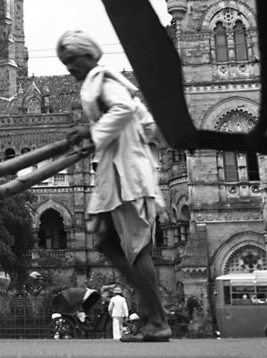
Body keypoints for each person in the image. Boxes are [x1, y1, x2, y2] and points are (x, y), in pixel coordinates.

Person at [57, 30, 172, 343]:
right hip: (120, 171)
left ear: (90, 55)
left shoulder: (102, 79)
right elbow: (146, 125)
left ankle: (157, 321)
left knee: (134, 247)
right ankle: (150, 312)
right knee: (107, 242)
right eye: (65, 63)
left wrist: (94, 134)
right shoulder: (117, 84)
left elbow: (121, 112)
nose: (70, 67)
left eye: (72, 60)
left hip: (126, 176)